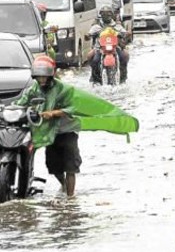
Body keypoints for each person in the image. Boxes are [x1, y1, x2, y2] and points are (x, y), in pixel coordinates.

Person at [10, 56, 139, 197]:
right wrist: (10, 111)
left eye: (44, 77)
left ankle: (70, 197)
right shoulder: (33, 89)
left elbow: (73, 107)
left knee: (70, 166)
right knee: (53, 166)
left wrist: (54, 113)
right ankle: (63, 185)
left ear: (50, 75)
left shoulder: (63, 89)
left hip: (67, 130)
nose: (42, 80)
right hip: (48, 131)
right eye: (39, 77)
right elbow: (21, 103)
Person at [86, 6, 129, 84]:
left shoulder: (116, 26)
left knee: (124, 56)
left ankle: (123, 76)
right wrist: (88, 36)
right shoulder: (97, 26)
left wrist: (126, 34)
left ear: (112, 15)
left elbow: (124, 33)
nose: (106, 16)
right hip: (100, 48)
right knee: (93, 59)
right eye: (104, 14)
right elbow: (89, 34)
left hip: (115, 48)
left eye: (108, 14)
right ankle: (94, 77)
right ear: (101, 15)